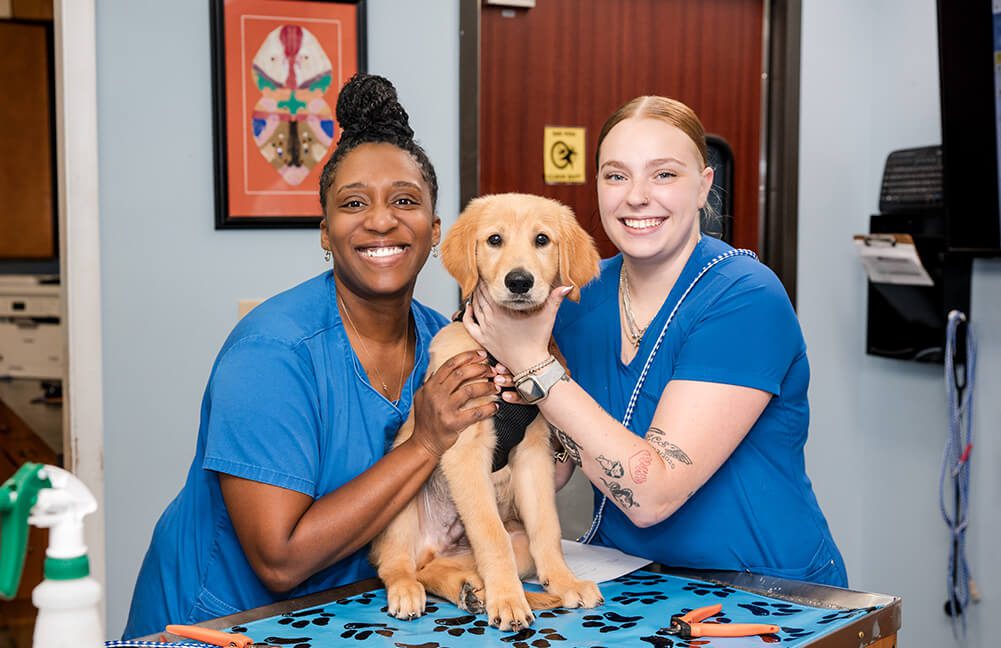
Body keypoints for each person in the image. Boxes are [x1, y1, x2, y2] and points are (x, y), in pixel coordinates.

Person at [124, 75, 501, 638]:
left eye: (405, 200)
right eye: (354, 204)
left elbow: (495, 481)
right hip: (222, 624)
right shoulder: (270, 355)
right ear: (325, 232)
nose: (381, 220)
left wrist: (539, 382)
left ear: (435, 229)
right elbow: (279, 560)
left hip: (352, 616)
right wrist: (426, 440)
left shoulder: (441, 340)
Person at [464, 95, 848, 587]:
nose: (637, 197)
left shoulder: (745, 298)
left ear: (704, 184)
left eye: (664, 174)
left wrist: (530, 363)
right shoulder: (577, 297)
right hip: (635, 582)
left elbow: (650, 496)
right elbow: (557, 467)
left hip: (768, 590)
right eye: (616, 175)